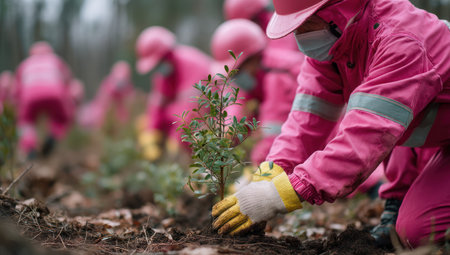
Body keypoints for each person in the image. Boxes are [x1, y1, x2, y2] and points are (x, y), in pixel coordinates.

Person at [212, 0, 450, 249]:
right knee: (411, 224)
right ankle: (396, 204)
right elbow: (306, 120)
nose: (300, 36)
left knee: (419, 233)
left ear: (338, 9)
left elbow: (365, 137)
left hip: (434, 139)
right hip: (436, 137)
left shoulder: (401, 41)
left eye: (305, 24)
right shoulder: (334, 41)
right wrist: (274, 169)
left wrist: (282, 193)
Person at [135, 26, 212, 161]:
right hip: (185, 119)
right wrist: (151, 132)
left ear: (167, 54)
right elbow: (157, 103)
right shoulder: (164, 74)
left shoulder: (192, 64)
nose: (158, 68)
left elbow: (191, 109)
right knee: (143, 122)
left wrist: (175, 138)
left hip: (209, 116)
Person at [15, 41, 76, 159]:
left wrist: (19, 104)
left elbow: (17, 90)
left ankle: (30, 149)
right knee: (62, 117)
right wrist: (68, 101)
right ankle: (53, 136)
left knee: (26, 121)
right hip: (55, 93)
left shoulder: (25, 64)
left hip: (30, 95)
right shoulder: (56, 60)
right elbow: (68, 81)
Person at [78, 61, 134, 129]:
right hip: (103, 118)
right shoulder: (108, 85)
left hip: (118, 119)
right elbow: (102, 102)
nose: (120, 85)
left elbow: (129, 103)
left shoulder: (128, 88)